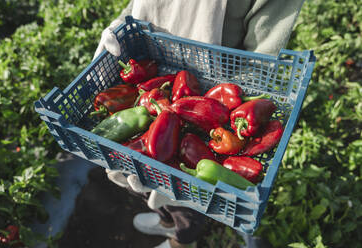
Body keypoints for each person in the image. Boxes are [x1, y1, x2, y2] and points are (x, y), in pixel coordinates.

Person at [94, 1, 305, 247]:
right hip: (156, 64)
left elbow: (262, 58)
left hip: (217, 81)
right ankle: (166, 223)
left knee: (187, 196)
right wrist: (123, 22)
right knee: (140, 178)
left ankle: (181, 241)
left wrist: (233, 93)